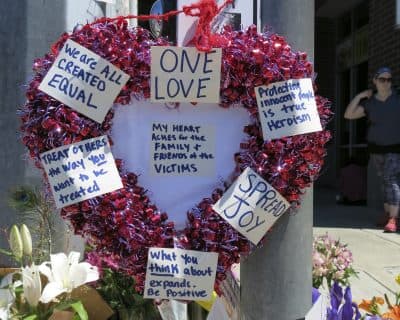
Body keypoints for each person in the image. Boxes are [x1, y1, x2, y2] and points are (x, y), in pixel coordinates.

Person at [344, 67, 400, 232]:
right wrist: (360, 96)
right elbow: (349, 115)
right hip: (376, 148)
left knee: (391, 179)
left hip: (395, 147)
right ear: (375, 81)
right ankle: (387, 212)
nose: (386, 83)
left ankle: (393, 218)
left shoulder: (397, 99)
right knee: (383, 181)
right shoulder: (369, 103)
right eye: (382, 79)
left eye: (389, 80)